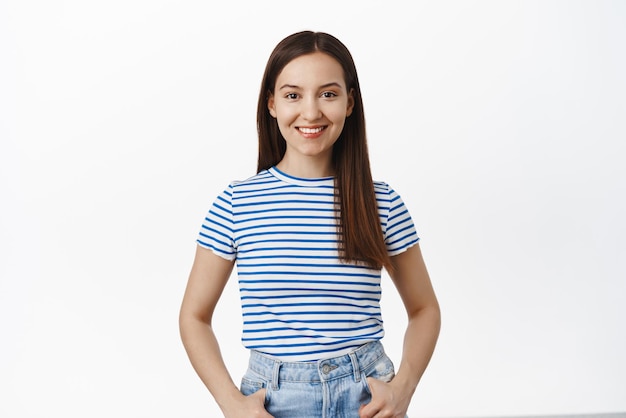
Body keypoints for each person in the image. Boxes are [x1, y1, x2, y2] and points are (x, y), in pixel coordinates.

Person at [179, 30, 441, 418]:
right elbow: (194, 317)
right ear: (271, 104)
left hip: (366, 396)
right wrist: (231, 403)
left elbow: (424, 309)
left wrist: (403, 388)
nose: (311, 111)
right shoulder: (237, 204)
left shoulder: (380, 201)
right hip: (274, 401)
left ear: (350, 103)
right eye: (292, 95)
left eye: (329, 94)